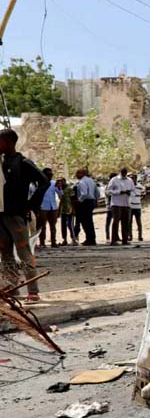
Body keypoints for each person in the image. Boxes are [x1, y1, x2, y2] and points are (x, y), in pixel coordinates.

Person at [0, 129, 49, 302]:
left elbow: (44, 182)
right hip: (2, 216)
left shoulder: (23, 163)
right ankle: (12, 288)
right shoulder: (2, 162)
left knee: (24, 253)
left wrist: (31, 205)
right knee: (5, 254)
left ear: (7, 142)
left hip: (16, 216)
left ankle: (33, 290)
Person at [107, 167, 134, 246]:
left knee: (125, 222)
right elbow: (108, 191)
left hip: (126, 204)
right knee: (116, 221)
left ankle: (125, 240)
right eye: (123, 172)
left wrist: (129, 193)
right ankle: (114, 240)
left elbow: (133, 190)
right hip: (116, 204)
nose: (124, 173)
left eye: (125, 172)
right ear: (120, 172)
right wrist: (119, 192)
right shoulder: (114, 180)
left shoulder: (129, 180)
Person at [37, 168, 60, 248]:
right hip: (42, 207)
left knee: (53, 226)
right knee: (42, 226)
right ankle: (42, 242)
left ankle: (53, 242)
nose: (50, 176)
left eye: (51, 174)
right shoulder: (39, 183)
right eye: (48, 175)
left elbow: (60, 194)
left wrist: (59, 187)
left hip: (53, 207)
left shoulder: (54, 183)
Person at [75, 168, 99, 246]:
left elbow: (84, 194)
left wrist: (79, 200)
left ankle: (89, 239)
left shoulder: (82, 182)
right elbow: (97, 193)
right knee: (89, 221)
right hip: (91, 201)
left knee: (85, 221)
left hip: (85, 203)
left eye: (78, 173)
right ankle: (92, 238)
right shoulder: (91, 181)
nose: (76, 175)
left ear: (82, 174)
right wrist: (95, 200)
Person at [58, 177, 78, 246]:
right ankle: (65, 239)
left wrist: (73, 209)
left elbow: (73, 199)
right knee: (63, 225)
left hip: (69, 209)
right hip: (63, 210)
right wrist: (59, 210)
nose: (60, 183)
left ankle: (74, 239)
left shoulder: (69, 189)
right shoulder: (60, 190)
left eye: (61, 181)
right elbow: (61, 201)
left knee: (70, 225)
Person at [129, 173, 145, 242]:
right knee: (129, 222)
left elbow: (143, 194)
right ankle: (130, 236)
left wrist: (138, 199)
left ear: (136, 178)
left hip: (137, 206)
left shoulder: (140, 187)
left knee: (138, 222)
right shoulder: (129, 187)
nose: (132, 179)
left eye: (133, 178)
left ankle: (140, 236)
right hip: (130, 206)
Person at [103, 172, 117, 242]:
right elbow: (108, 195)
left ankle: (115, 236)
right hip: (110, 206)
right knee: (109, 222)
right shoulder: (108, 186)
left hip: (114, 206)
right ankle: (108, 237)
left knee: (115, 221)